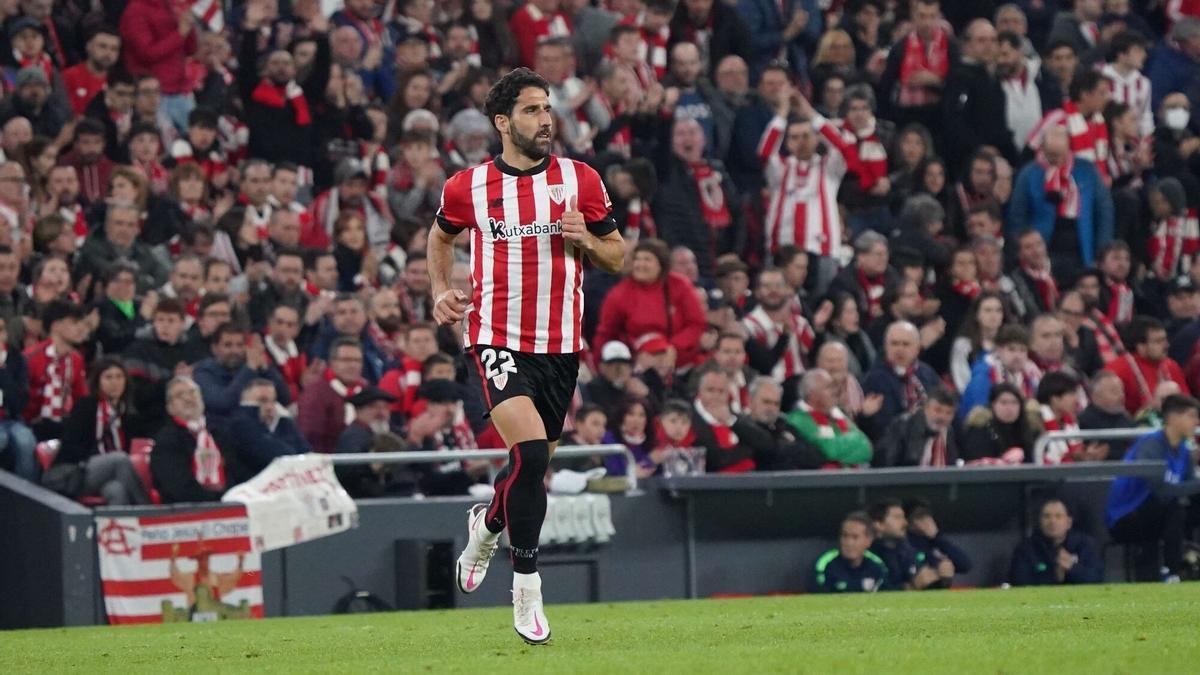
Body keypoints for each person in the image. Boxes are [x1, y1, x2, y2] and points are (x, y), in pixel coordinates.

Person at [433, 68, 624, 644]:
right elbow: (440, 235)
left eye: (548, 109)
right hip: (496, 336)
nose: (546, 120)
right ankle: (527, 587)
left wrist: (585, 240)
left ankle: (487, 527)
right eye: (533, 110)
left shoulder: (580, 179)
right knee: (533, 454)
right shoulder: (467, 186)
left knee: (530, 470)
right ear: (503, 121)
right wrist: (441, 289)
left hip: (561, 347)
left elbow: (615, 255)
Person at [1107, 394, 1200, 581]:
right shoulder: (1151, 445)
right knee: (1174, 507)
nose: (1196, 422)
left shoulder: (1183, 450)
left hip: (1158, 514)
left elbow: (1191, 487)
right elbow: (1158, 489)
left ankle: (1188, 562)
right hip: (1126, 515)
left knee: (1182, 505)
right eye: (1191, 416)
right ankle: (1173, 572)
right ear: (1173, 418)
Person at [594, 238, 707, 369]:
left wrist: (673, 347)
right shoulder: (619, 294)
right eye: (637, 259)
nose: (640, 264)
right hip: (635, 364)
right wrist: (600, 366)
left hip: (681, 361)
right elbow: (606, 334)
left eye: (647, 259)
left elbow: (696, 323)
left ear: (661, 265)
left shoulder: (680, 285)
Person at [55, 357, 151, 505]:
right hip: (78, 471)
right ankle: (148, 512)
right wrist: (104, 461)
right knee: (119, 459)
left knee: (117, 490)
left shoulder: (128, 413)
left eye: (119, 377)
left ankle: (121, 527)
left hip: (111, 474)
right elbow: (71, 446)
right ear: (98, 382)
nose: (115, 383)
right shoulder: (85, 407)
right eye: (108, 377)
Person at [151, 376, 232, 503]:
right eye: (179, 395)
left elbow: (237, 471)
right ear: (170, 408)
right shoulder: (166, 441)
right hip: (187, 512)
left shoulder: (220, 432)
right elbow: (179, 488)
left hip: (230, 504)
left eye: (192, 392)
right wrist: (220, 500)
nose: (188, 398)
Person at [216, 379, 310, 483]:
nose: (270, 407)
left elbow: (306, 451)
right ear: (245, 403)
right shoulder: (240, 424)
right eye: (262, 401)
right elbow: (273, 454)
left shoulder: (282, 421)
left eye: (273, 401)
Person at [191, 323, 290, 421]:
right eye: (228, 345)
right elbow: (222, 403)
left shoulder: (251, 366)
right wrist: (249, 369)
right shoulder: (204, 371)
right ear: (215, 348)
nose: (235, 351)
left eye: (240, 345)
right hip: (223, 429)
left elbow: (284, 398)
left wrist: (266, 368)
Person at [860, 321, 941, 441]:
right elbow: (883, 426)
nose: (900, 349)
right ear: (886, 347)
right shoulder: (875, 379)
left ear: (917, 348)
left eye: (906, 344)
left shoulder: (927, 373)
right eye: (894, 344)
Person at [23, 300, 89, 440]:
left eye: (82, 323)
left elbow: (81, 398)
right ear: (56, 326)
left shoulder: (76, 360)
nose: (81, 329)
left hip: (61, 422)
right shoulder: (31, 357)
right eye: (74, 323)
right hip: (28, 423)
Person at [786, 369, 872, 468]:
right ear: (812, 395)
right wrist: (853, 443)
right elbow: (828, 450)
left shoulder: (839, 415)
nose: (835, 391)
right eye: (828, 387)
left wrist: (837, 449)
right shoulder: (798, 420)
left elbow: (867, 448)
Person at [297, 337, 368, 455]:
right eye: (346, 360)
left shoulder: (367, 391)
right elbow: (310, 436)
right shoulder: (316, 393)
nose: (352, 365)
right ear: (332, 362)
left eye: (357, 360)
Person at [1105, 316, 1190, 414]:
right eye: (1158, 341)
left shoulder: (1171, 366)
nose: (1166, 345)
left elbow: (1186, 403)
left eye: (1165, 340)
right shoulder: (1117, 370)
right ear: (1141, 347)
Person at [1010, 498, 1104, 586]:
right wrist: (1055, 576)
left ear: (1068, 522)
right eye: (1046, 516)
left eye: (1058, 516)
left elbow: (1097, 578)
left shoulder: (1085, 545)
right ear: (1040, 522)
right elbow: (1019, 581)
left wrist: (1072, 568)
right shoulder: (1026, 548)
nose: (1052, 521)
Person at [960, 324, 1043, 418]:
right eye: (1011, 349)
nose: (1017, 356)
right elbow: (978, 412)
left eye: (1022, 350)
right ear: (999, 350)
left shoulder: (1033, 375)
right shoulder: (984, 374)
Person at [875, 386, 960, 468]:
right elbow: (887, 465)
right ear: (926, 408)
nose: (942, 417)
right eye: (938, 410)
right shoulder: (902, 427)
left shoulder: (948, 432)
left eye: (948, 413)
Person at [869, 498, 941, 590]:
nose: (905, 523)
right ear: (879, 524)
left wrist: (937, 576)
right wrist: (909, 587)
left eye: (903, 517)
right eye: (897, 517)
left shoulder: (907, 549)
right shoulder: (867, 554)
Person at [810, 511, 889, 593]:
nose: (849, 543)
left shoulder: (877, 566)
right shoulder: (825, 565)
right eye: (845, 536)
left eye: (855, 537)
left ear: (869, 541)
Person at [961, 383, 1038, 463]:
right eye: (1003, 403)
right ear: (993, 405)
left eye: (1014, 402)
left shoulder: (1029, 429)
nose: (1009, 408)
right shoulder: (980, 429)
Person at [904, 498, 972, 587]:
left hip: (940, 595)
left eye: (927, 515)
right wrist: (937, 570)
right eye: (919, 516)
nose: (925, 520)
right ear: (908, 521)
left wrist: (936, 536)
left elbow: (965, 565)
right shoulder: (905, 542)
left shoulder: (936, 541)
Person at [0, 315, 35, 481]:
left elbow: (20, 400)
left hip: (11, 418)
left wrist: (3, 370)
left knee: (25, 441)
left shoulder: (16, 359)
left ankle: (28, 498)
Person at [1078, 370, 1137, 460]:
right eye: (1114, 392)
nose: (1121, 396)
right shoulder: (1084, 422)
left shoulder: (1126, 418)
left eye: (1122, 391)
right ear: (1096, 396)